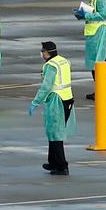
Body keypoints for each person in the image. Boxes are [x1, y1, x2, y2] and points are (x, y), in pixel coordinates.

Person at [29, 41, 75, 176]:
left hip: (56, 99)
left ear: (47, 52)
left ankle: (62, 166)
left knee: (55, 134)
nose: (41, 53)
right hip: (67, 98)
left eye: (42, 51)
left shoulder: (50, 66)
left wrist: (35, 102)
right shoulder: (63, 61)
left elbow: (46, 87)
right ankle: (53, 162)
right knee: (53, 132)